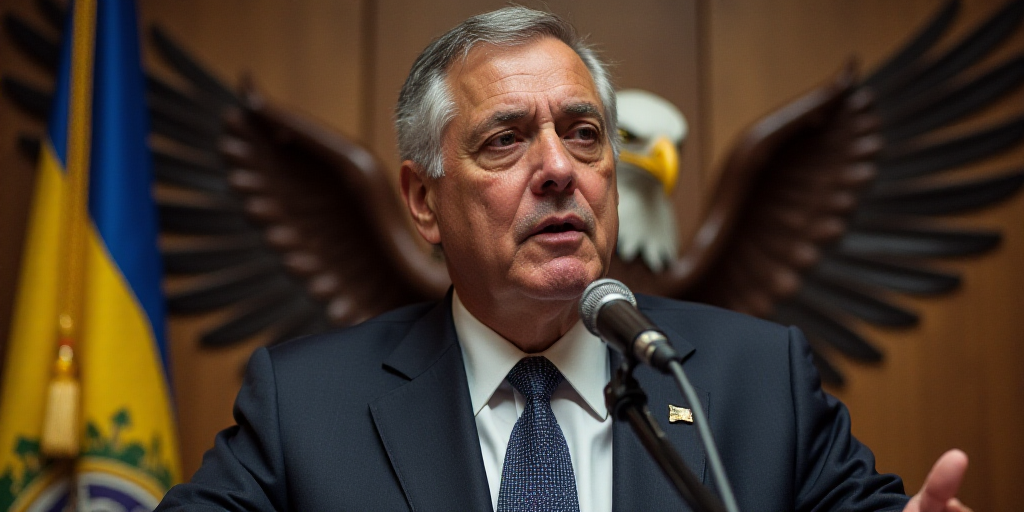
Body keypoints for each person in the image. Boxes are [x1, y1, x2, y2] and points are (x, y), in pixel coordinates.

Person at [156, 7, 972, 512]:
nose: (559, 169)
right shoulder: (305, 408)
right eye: (505, 139)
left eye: (584, 133)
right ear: (422, 200)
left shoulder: (759, 382)